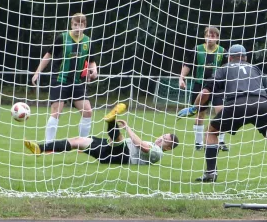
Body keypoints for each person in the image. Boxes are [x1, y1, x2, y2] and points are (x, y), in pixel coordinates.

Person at [187, 45, 267, 184]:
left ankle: (211, 173)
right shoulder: (255, 69)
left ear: (229, 57)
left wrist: (195, 108)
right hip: (261, 104)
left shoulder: (224, 68)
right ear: (245, 57)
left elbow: (205, 93)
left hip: (237, 104)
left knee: (211, 132)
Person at [24, 103, 179, 164]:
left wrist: (128, 128)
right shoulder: (155, 145)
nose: (161, 139)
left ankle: (111, 120)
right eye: (163, 136)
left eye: (165, 140)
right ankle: (40, 148)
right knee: (78, 140)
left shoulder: (158, 153)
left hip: (123, 157)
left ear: (168, 148)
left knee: (120, 141)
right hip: (109, 154)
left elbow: (141, 146)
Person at [32, 13, 98, 142]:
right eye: (75, 25)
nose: (77, 28)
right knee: (56, 111)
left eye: (80, 25)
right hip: (60, 79)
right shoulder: (62, 38)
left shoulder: (88, 41)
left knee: (88, 112)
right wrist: (37, 72)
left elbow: (91, 61)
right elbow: (48, 55)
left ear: (85, 26)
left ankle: (82, 144)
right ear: (71, 25)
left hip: (77, 82)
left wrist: (94, 70)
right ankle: (48, 144)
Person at [177, 26, 229, 151]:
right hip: (199, 84)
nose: (210, 38)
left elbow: (227, 69)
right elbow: (188, 65)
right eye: (208, 35)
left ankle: (221, 141)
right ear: (204, 36)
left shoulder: (223, 51)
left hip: (217, 86)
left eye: (212, 36)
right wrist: (181, 78)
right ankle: (199, 143)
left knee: (221, 112)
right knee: (200, 114)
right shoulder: (197, 49)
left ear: (217, 38)